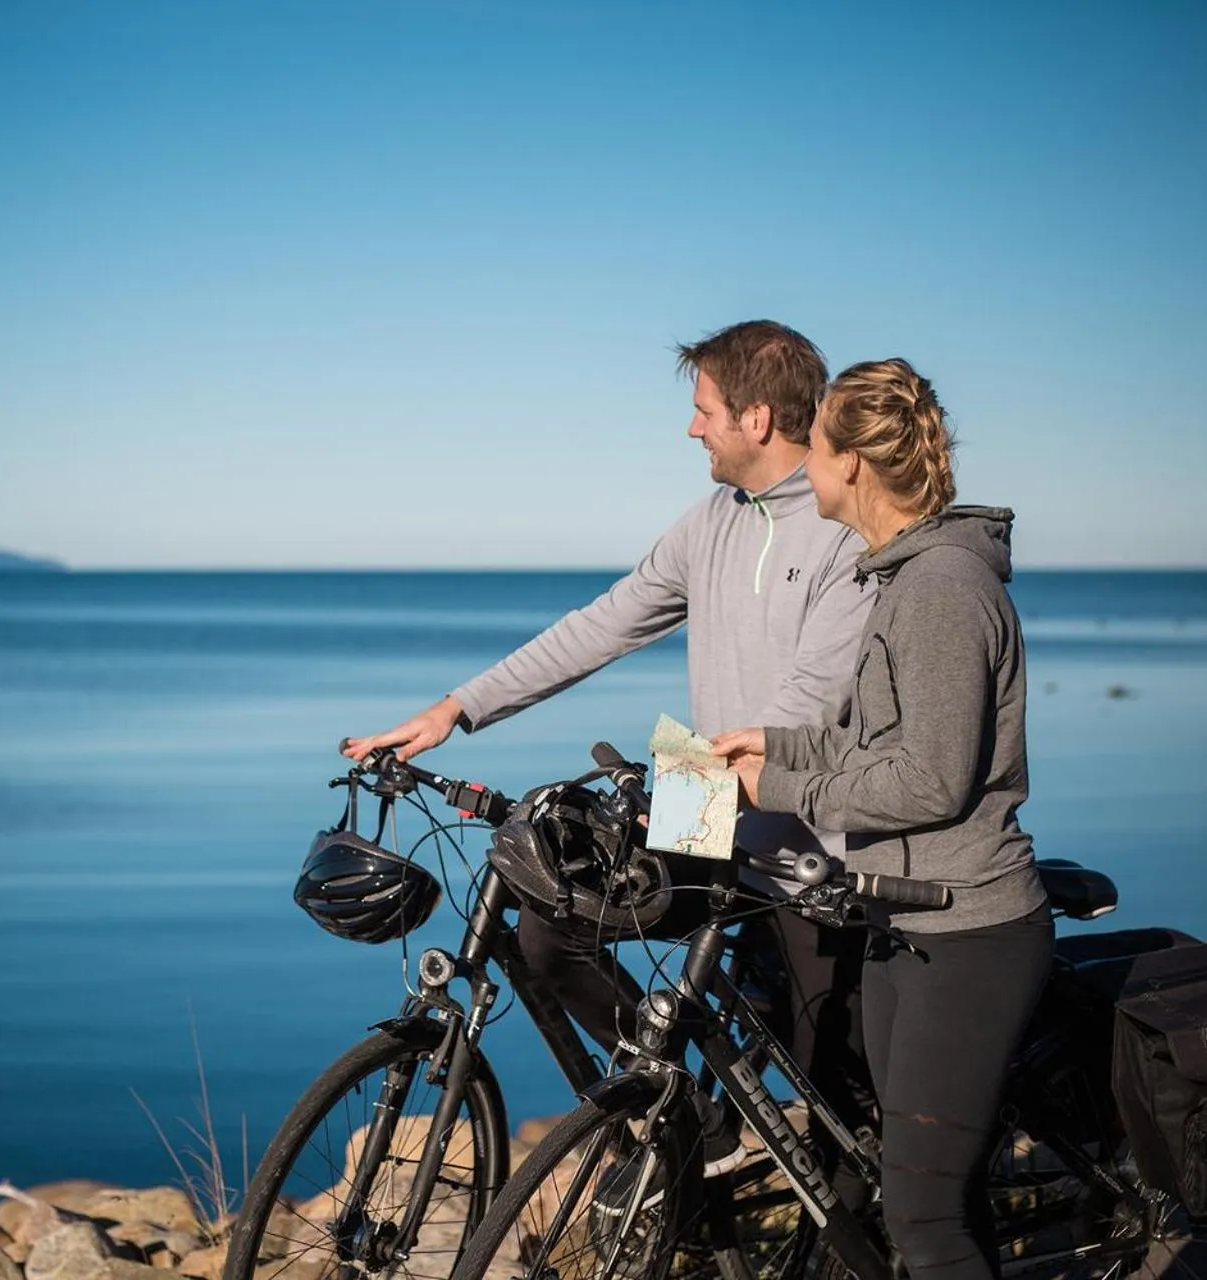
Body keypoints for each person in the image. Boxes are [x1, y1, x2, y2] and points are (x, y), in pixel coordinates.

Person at [343, 319, 879, 1174]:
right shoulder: (711, 521)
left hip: (816, 841)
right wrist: (457, 708)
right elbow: (602, 625)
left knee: (832, 1096)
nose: (692, 428)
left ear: (757, 420)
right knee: (553, 927)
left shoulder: (843, 529)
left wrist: (685, 791)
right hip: (711, 805)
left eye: (705, 410)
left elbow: (810, 703)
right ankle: (682, 1115)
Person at [711, 358, 1051, 1280]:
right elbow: (875, 742)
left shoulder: (940, 590)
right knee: (942, 1200)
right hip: (906, 918)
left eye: (815, 448)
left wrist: (781, 790)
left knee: (925, 1220)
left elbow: (930, 782)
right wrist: (774, 743)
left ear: (851, 464)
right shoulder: (903, 580)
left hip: (970, 930)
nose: (804, 465)